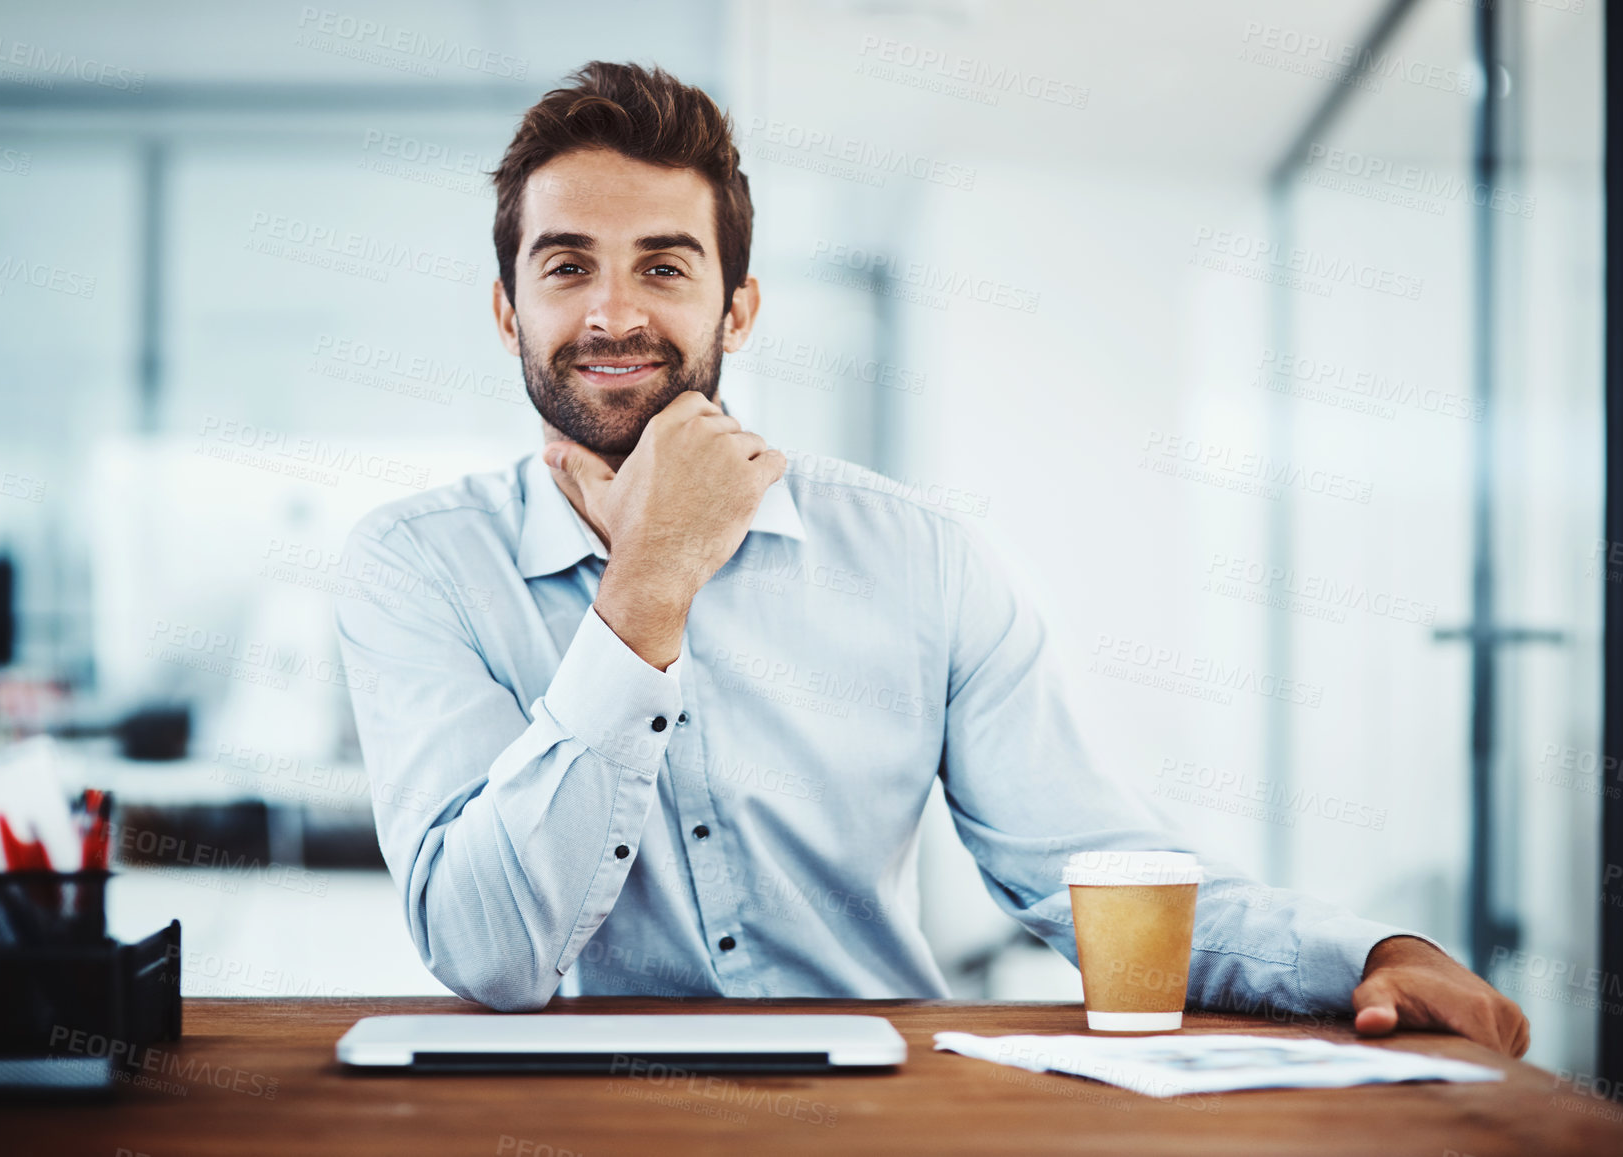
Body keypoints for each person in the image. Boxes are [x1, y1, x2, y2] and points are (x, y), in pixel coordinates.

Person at [334, 61, 1529, 1058]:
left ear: (736, 310)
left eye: (662, 265)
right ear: (507, 310)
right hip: (542, 1111)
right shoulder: (415, 568)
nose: (609, 313)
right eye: (564, 265)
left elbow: (1078, 866)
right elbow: (485, 948)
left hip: (873, 1105)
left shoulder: (918, 558)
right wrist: (650, 578)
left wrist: (1364, 954)